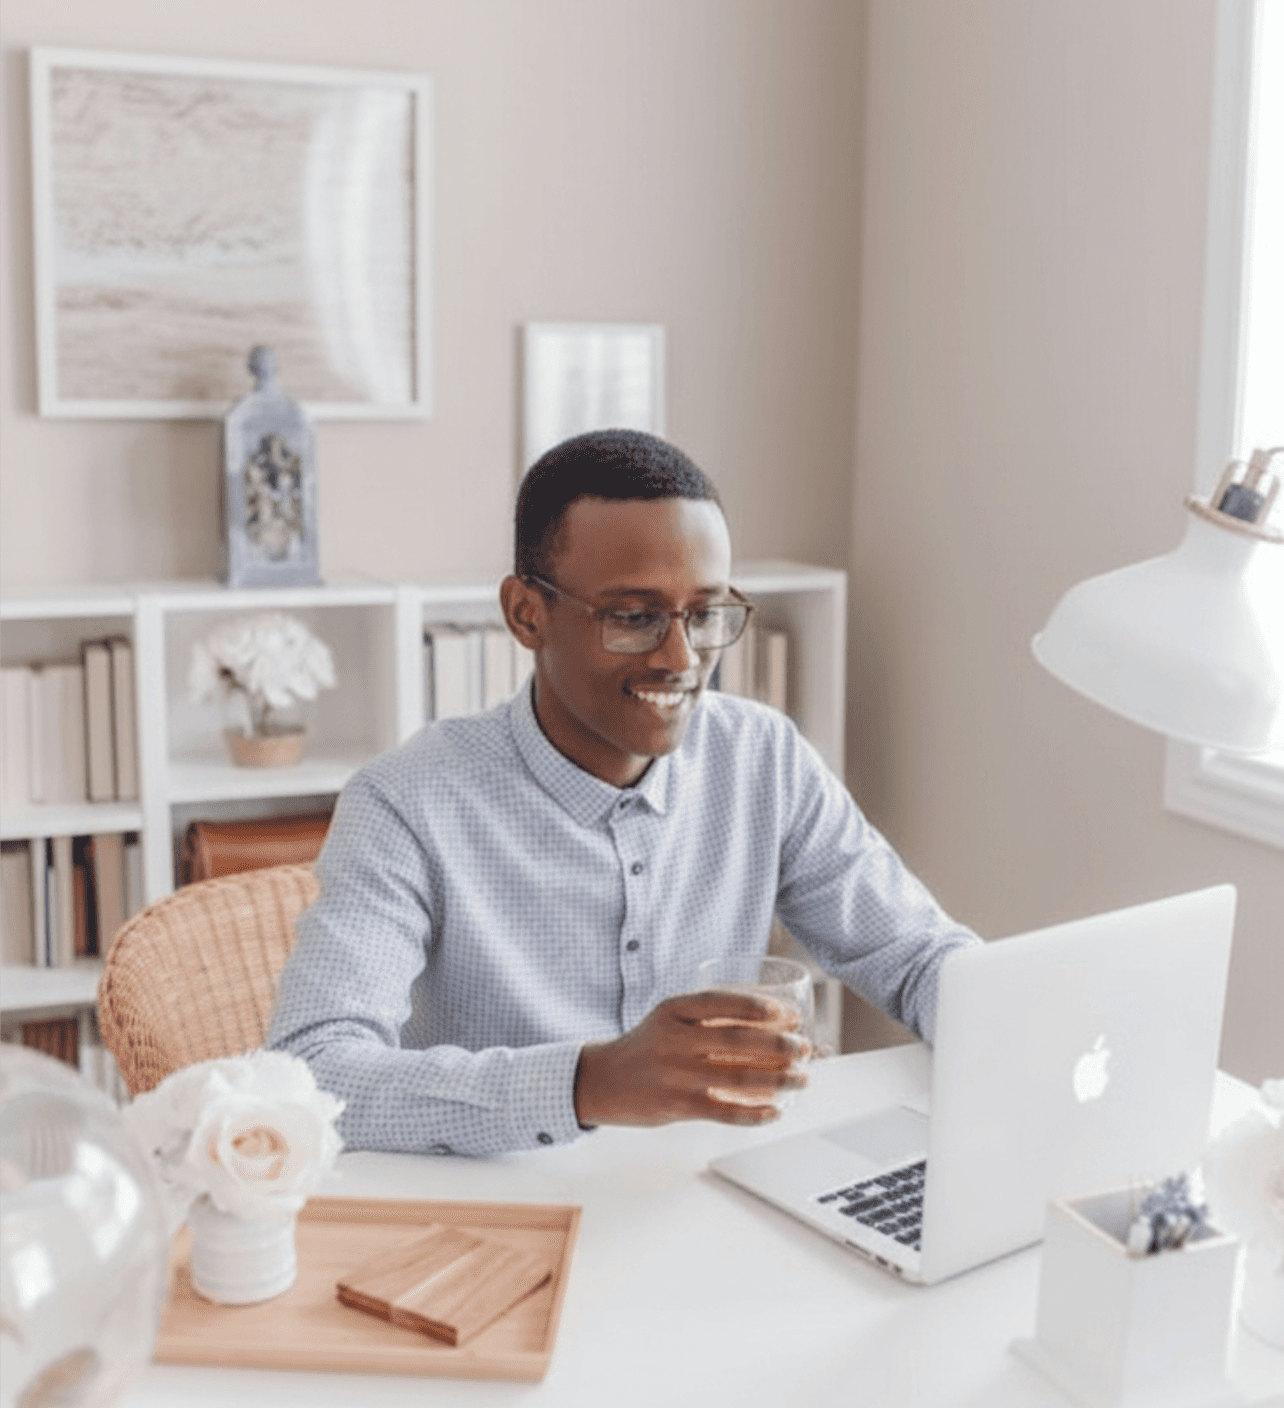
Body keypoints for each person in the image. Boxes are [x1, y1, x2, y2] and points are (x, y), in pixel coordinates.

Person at [269, 430, 978, 1154]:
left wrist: (1024, 1023)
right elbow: (313, 1076)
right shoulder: (407, 802)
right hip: (508, 1219)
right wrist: (591, 1083)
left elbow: (916, 954)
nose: (681, 658)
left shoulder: (763, 758)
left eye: (704, 614)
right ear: (525, 614)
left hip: (711, 1191)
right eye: (634, 618)